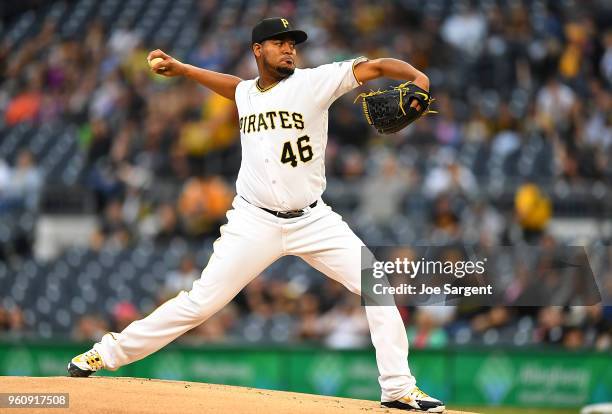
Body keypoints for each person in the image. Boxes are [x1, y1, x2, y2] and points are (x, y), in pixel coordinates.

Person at [67, 18, 444, 412]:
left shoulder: (316, 81)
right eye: (279, 43)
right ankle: (105, 353)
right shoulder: (247, 93)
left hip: (313, 220)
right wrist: (183, 69)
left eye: (292, 44)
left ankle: (398, 388)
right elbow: (233, 87)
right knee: (199, 303)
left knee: (376, 283)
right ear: (257, 50)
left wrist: (419, 77)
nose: (289, 49)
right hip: (254, 221)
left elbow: (377, 67)